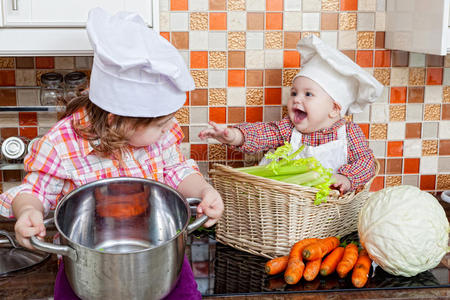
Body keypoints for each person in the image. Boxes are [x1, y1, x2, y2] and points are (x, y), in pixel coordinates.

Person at [0, 8, 223, 300]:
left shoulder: (159, 136)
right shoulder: (62, 144)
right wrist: (28, 211)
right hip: (86, 269)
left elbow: (178, 171)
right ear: (117, 119)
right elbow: (35, 191)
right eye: (159, 124)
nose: (169, 129)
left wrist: (204, 191)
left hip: (161, 263)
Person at [199, 35, 383, 194]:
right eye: (294, 93)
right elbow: (262, 133)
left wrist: (346, 178)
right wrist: (233, 136)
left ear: (334, 109)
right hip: (286, 210)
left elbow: (366, 162)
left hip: (329, 210)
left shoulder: (349, 133)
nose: (296, 99)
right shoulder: (288, 129)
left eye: (308, 94)